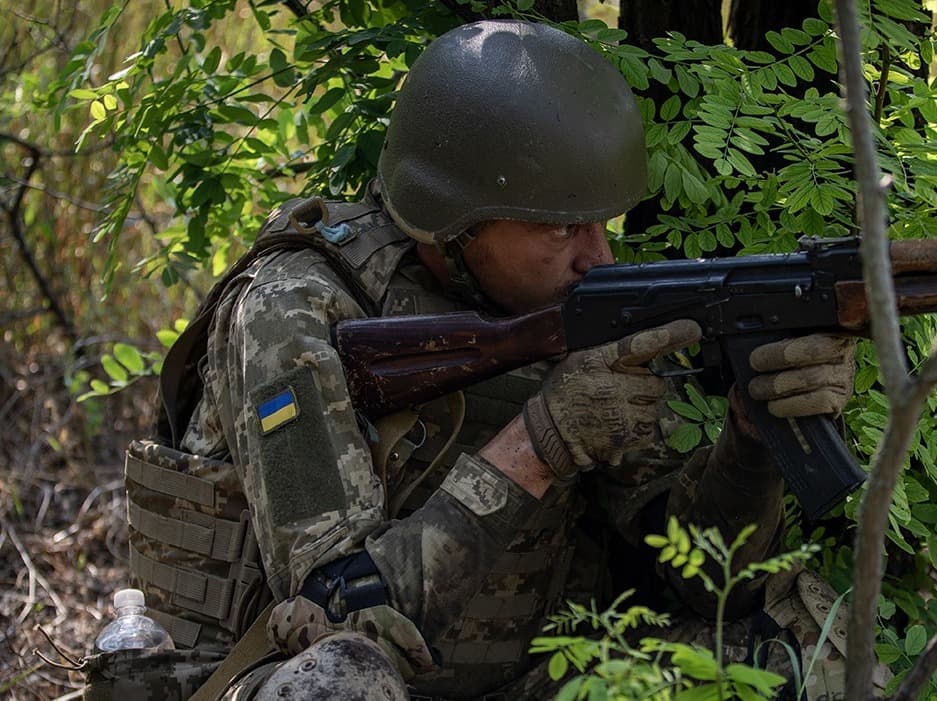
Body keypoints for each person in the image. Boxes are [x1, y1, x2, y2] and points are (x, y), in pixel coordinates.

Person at [99, 19, 874, 701]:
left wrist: (752, 437)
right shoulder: (294, 311)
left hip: (529, 677)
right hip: (307, 672)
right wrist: (539, 444)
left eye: (602, 224)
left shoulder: (570, 306)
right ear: (454, 224)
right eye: (561, 228)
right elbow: (332, 617)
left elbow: (705, 584)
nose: (598, 256)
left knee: (804, 645)